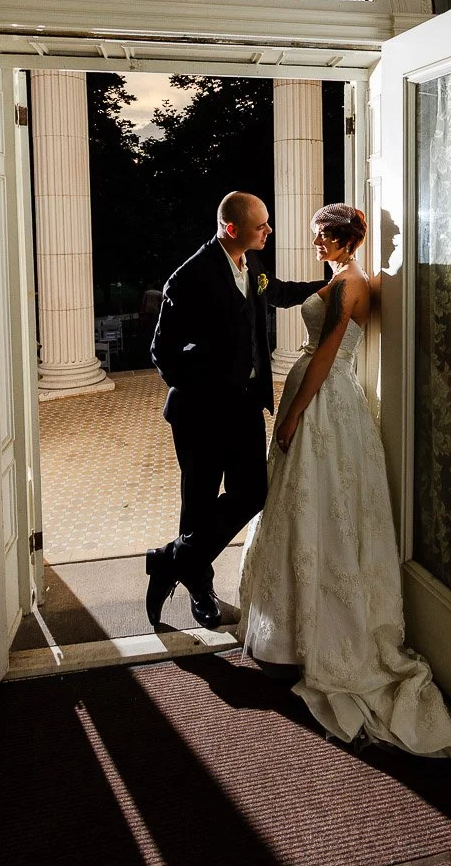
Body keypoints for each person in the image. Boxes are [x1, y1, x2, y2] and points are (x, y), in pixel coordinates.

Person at [238, 203, 451, 761]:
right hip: (320, 395)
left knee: (324, 505)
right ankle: (288, 625)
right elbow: (289, 300)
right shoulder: (339, 277)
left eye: (321, 238)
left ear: (342, 240)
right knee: (297, 506)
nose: (315, 244)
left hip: (325, 401)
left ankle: (318, 634)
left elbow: (327, 353)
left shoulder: (352, 285)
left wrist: (293, 414)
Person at [146, 191, 324, 631]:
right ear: (232, 229)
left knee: (253, 493)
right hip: (201, 414)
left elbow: (277, 292)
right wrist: (203, 392)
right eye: (261, 225)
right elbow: (162, 351)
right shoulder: (188, 278)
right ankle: (202, 592)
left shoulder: (252, 265)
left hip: (246, 408)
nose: (269, 231)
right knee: (200, 504)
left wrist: (328, 286)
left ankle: (174, 559)